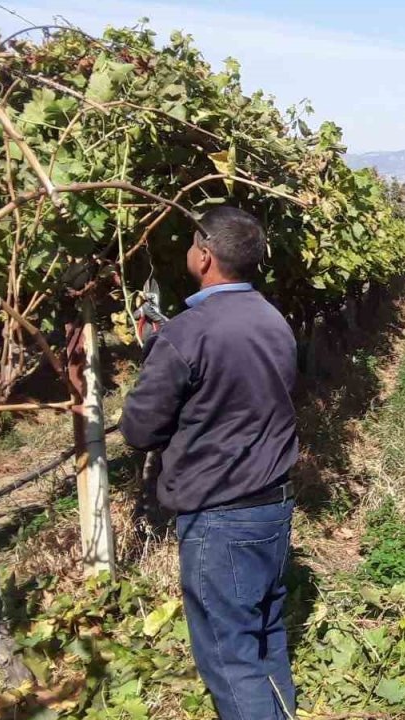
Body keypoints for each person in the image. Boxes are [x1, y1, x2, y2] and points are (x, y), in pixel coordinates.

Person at [121, 206, 299, 720]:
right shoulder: (273, 318)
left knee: (230, 658)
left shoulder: (188, 331)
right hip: (273, 505)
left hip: (219, 515)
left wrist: (157, 357)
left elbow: (139, 430)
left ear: (204, 255)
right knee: (266, 635)